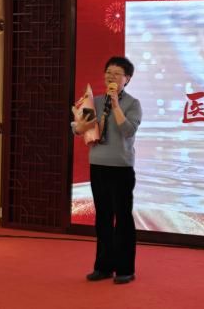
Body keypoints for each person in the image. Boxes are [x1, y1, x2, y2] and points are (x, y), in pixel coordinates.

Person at [72, 56, 142, 285]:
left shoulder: (132, 104)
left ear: (127, 79)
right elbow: (80, 129)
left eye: (117, 73)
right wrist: (79, 126)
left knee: (122, 219)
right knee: (102, 218)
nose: (111, 76)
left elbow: (128, 131)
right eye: (108, 72)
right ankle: (103, 267)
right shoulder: (95, 101)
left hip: (121, 168)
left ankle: (125, 269)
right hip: (98, 165)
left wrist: (116, 104)